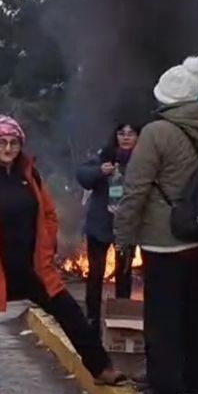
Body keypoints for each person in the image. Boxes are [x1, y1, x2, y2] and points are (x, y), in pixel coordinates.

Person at [0, 115, 126, 394]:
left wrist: (47, 245)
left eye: (13, 142)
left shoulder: (29, 174)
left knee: (70, 313)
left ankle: (101, 367)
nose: (8, 148)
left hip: (32, 265)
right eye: (1, 142)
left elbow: (49, 214)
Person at [114, 56, 198, 394]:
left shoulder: (155, 132)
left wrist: (123, 236)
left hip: (163, 240)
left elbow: (135, 188)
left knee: (163, 320)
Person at [75, 123, 140, 325]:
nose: (126, 138)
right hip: (99, 226)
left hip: (127, 226)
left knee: (124, 274)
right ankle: (92, 316)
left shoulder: (143, 161)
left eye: (131, 134)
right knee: (95, 274)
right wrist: (99, 172)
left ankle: (122, 315)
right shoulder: (105, 157)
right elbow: (83, 176)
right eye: (122, 133)